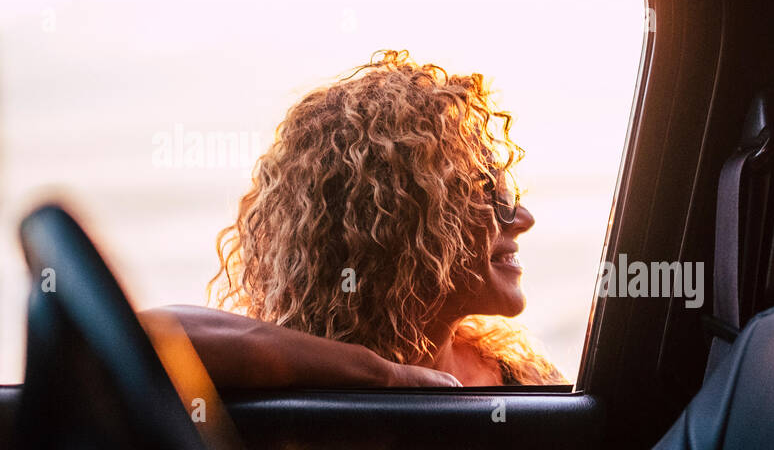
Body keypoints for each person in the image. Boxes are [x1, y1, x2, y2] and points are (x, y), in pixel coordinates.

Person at [144, 50, 564, 388]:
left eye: (511, 196)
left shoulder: (519, 377)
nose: (522, 218)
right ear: (402, 219)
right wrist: (383, 376)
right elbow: (147, 334)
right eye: (489, 195)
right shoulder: (286, 376)